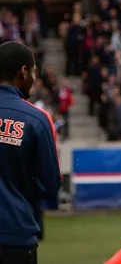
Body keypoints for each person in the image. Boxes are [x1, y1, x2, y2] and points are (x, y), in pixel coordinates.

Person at [0, 41, 62, 264]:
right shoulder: (37, 118)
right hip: (17, 236)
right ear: (23, 72)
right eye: (34, 71)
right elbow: (50, 185)